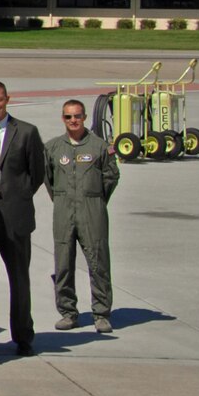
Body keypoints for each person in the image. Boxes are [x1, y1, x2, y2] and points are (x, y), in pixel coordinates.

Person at [0, 79, 46, 356]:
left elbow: (37, 173)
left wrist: (20, 195)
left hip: (15, 217)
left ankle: (23, 335)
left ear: (7, 99)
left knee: (19, 278)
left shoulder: (26, 132)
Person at [47, 97, 119, 333]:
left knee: (98, 261)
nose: (73, 120)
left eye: (77, 116)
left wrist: (96, 199)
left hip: (92, 210)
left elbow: (111, 176)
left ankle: (101, 313)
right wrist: (61, 198)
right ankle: (68, 312)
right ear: (63, 118)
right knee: (63, 262)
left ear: (85, 117)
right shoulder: (53, 147)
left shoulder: (99, 146)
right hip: (64, 210)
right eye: (68, 116)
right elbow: (48, 178)